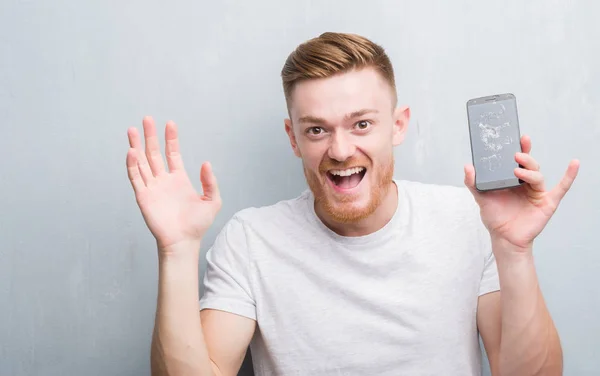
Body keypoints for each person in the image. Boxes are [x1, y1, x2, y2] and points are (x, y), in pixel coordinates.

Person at [125, 32, 580, 376]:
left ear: (397, 126)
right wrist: (177, 251)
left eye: (361, 124)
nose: (340, 150)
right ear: (294, 138)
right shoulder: (251, 241)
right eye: (317, 130)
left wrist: (515, 252)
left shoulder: (466, 220)